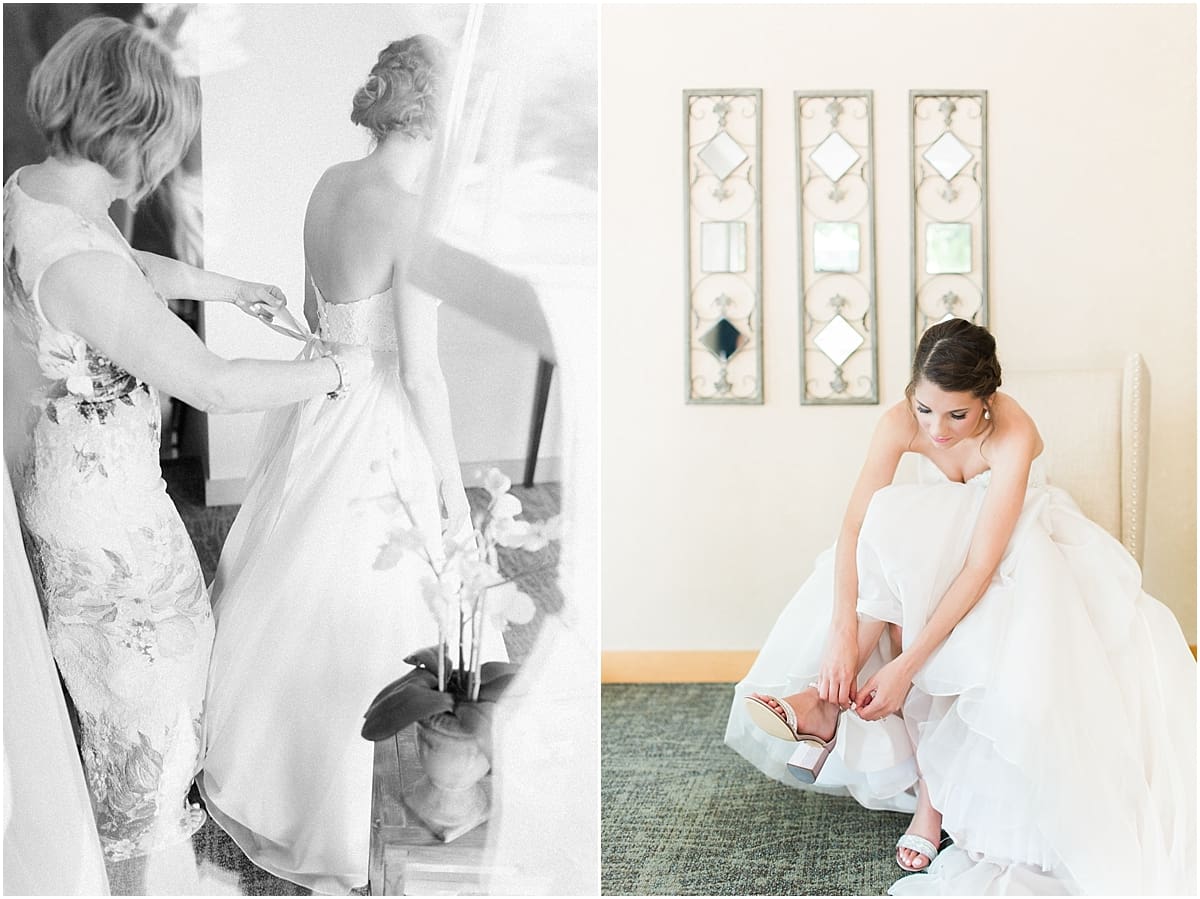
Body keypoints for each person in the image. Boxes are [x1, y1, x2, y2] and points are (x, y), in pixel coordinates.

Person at [1, 16, 372, 893]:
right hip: (112, 530)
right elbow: (209, 383)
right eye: (163, 144)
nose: (164, 165)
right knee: (150, 706)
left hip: (70, 494)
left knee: (124, 694)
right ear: (130, 130)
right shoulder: (80, 262)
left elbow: (119, 265)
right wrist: (329, 371)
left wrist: (226, 284)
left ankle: (132, 842)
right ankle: (139, 869)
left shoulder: (31, 193)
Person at [725, 318, 1196, 895]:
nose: (937, 429)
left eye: (957, 415)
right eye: (925, 409)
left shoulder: (1013, 432)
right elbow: (853, 525)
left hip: (1012, 546)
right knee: (892, 528)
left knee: (910, 549)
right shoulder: (900, 422)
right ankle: (888, 759)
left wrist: (905, 666)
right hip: (929, 549)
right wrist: (841, 634)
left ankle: (840, 727)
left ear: (988, 402)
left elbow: (979, 563)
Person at [198, 35, 504, 893]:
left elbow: (310, 316)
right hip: (379, 419)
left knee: (285, 568)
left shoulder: (331, 183)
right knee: (370, 594)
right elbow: (421, 371)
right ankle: (358, 800)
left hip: (317, 398)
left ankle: (252, 756)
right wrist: (451, 492)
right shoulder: (415, 216)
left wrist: (324, 387)